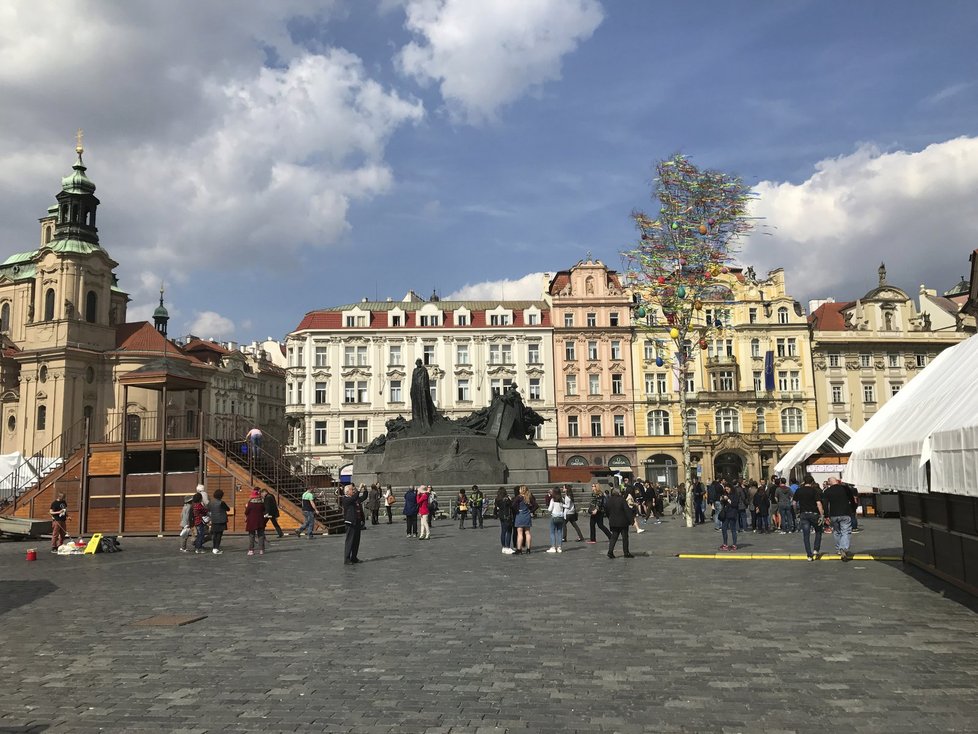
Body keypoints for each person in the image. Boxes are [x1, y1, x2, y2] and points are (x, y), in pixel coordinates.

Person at [823, 477, 858, 561]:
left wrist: (826, 516)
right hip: (845, 513)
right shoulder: (845, 489)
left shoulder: (827, 491)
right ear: (837, 481)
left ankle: (838, 549)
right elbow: (852, 499)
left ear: (829, 483)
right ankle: (844, 547)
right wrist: (853, 509)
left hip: (834, 514)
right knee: (845, 531)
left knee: (837, 531)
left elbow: (825, 504)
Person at [793, 474, 825, 561]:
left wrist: (796, 512)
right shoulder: (814, 491)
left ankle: (809, 555)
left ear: (804, 481)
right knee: (818, 531)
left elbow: (794, 503)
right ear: (812, 482)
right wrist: (822, 515)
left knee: (806, 535)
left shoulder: (799, 490)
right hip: (814, 514)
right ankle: (816, 549)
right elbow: (819, 503)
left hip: (803, 514)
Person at [604, 488, 634, 559]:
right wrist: (631, 520)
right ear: (618, 493)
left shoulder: (609, 500)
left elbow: (607, 511)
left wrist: (610, 518)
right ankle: (626, 552)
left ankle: (610, 552)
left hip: (613, 522)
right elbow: (627, 511)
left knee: (613, 537)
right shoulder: (621, 499)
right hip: (622, 522)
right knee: (625, 538)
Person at [339, 484, 364, 564]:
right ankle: (347, 558)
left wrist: (365, 490)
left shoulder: (354, 499)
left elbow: (362, 498)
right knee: (350, 540)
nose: (353, 490)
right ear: (347, 492)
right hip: (350, 522)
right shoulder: (345, 499)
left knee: (356, 540)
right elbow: (354, 498)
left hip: (357, 521)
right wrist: (359, 489)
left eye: (353, 489)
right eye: (351, 489)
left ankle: (354, 557)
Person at [410, 359, 437, 431]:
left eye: (419, 362)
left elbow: (426, 380)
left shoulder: (424, 369)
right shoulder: (414, 370)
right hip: (416, 389)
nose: (418, 363)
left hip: (422, 390)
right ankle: (418, 422)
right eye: (417, 362)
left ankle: (425, 422)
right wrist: (412, 389)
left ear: (421, 363)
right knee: (416, 406)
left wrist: (425, 388)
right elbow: (413, 380)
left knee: (424, 405)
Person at [718, 484, 740, 551]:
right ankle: (725, 544)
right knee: (724, 528)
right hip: (726, 514)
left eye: (728, 489)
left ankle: (734, 545)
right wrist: (722, 500)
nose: (727, 490)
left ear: (731, 488)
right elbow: (724, 504)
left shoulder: (735, 495)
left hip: (732, 514)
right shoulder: (726, 494)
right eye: (726, 489)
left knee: (733, 529)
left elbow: (735, 504)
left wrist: (728, 499)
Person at [209, 488, 230, 554]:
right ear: (221, 495)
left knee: (214, 535)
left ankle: (214, 548)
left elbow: (208, 509)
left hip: (214, 520)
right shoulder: (222, 502)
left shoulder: (211, 503)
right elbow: (228, 509)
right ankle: (216, 548)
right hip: (221, 520)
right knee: (219, 535)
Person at [244, 489, 265, 556]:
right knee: (261, 535)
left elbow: (246, 512)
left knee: (251, 535)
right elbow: (264, 510)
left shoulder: (250, 504)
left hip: (252, 521)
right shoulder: (261, 503)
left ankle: (251, 550)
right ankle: (261, 549)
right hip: (260, 520)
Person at [513, 486, 533, 554]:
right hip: (527, 515)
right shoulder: (529, 497)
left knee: (520, 533)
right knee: (527, 532)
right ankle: (528, 549)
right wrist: (531, 511)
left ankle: (519, 549)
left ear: (521, 490)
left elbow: (513, 505)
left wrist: (517, 511)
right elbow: (536, 505)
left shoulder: (519, 497)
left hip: (520, 515)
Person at [495, 487, 515, 554]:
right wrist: (510, 499)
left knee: (503, 531)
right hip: (507, 516)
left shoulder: (497, 499)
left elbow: (497, 506)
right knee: (509, 531)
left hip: (501, 516)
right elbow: (511, 505)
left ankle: (503, 547)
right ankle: (508, 547)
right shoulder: (506, 499)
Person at [546, 487, 565, 553]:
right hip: (561, 517)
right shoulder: (562, 499)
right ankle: (559, 547)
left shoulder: (553, 500)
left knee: (552, 532)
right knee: (559, 531)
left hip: (554, 517)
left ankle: (553, 547)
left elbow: (550, 509)